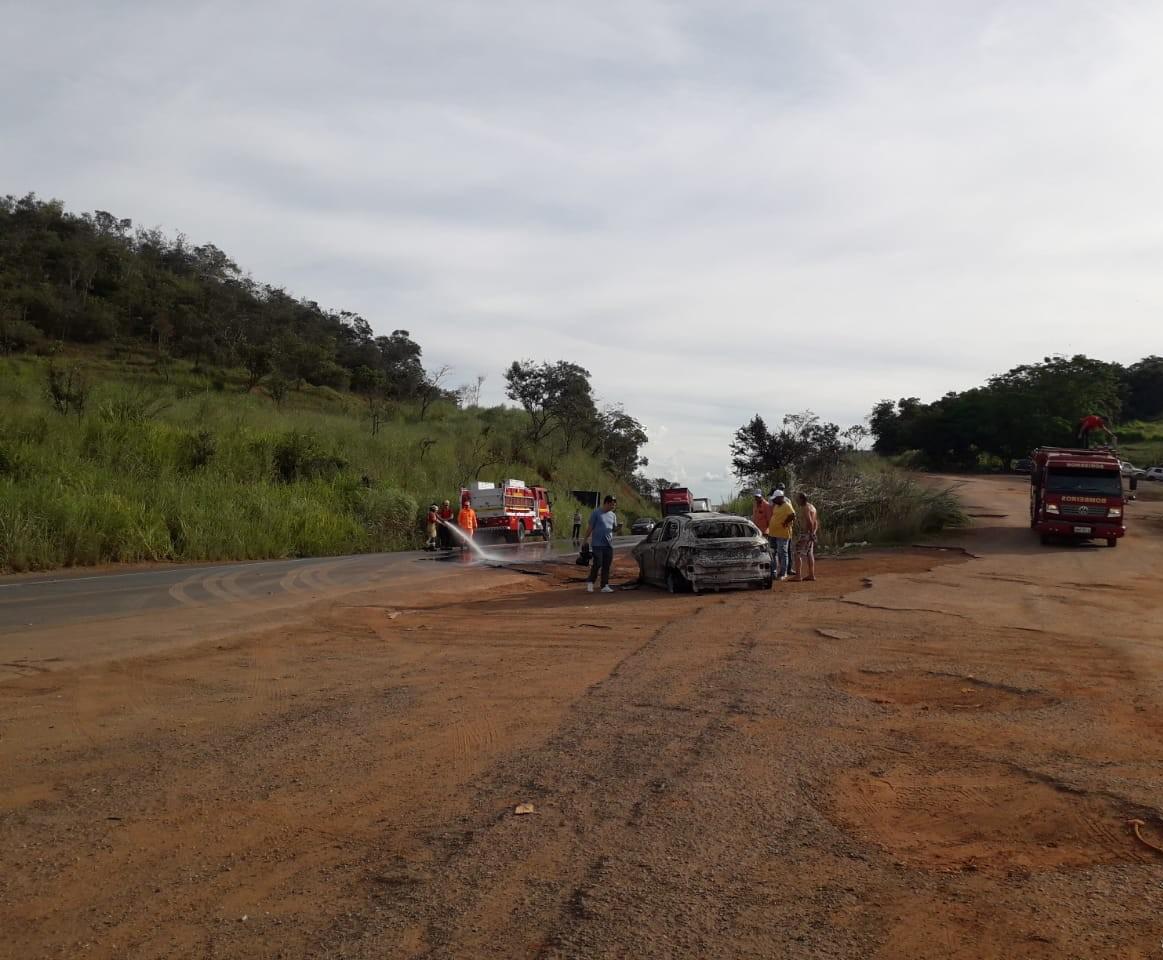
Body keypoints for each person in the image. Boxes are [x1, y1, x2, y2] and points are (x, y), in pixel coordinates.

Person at [582, 495, 618, 594]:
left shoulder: (613, 515)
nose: (613, 507)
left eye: (614, 505)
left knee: (606, 565)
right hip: (597, 544)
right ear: (606, 503)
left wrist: (618, 528)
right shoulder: (596, 513)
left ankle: (604, 585)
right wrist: (585, 540)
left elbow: (614, 529)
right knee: (598, 563)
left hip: (608, 544)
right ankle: (590, 582)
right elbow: (590, 527)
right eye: (612, 505)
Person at [766, 488, 796, 581]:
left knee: (782, 553)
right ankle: (774, 572)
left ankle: (783, 573)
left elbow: (793, 515)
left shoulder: (787, 505)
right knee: (773, 553)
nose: (774, 500)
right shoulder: (776, 506)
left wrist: (785, 523)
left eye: (775, 499)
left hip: (782, 534)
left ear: (780, 498)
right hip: (773, 534)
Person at [792, 492, 818, 581]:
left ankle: (798, 576)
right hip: (811, 534)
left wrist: (809, 533)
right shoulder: (812, 507)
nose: (796, 501)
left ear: (802, 499)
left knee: (797, 552)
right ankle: (811, 575)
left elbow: (810, 521)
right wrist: (813, 533)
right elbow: (816, 522)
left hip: (806, 534)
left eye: (797, 499)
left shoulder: (805, 508)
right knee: (809, 553)